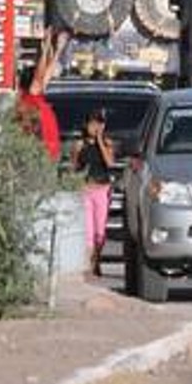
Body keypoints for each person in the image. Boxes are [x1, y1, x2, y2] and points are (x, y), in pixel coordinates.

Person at [72, 108, 115, 277]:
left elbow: (110, 163)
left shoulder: (108, 143)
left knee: (100, 233)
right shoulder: (79, 144)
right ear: (87, 124)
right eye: (92, 123)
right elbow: (74, 167)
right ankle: (90, 264)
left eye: (99, 123)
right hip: (86, 190)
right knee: (88, 232)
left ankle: (98, 258)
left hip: (102, 190)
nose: (95, 126)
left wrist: (100, 141)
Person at [12, 29, 67, 161]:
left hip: (45, 147)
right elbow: (43, 76)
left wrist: (49, 47)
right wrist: (53, 49)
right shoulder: (31, 99)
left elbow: (41, 75)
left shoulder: (30, 99)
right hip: (46, 147)